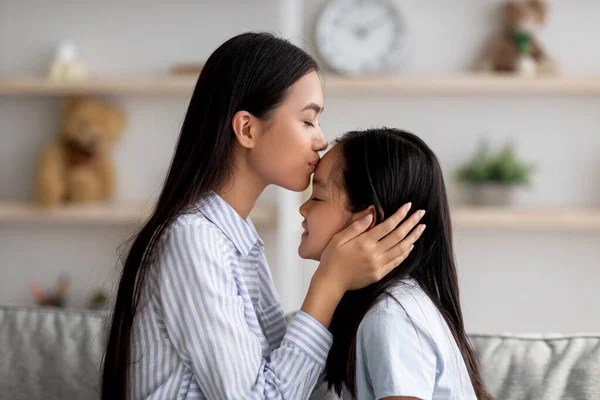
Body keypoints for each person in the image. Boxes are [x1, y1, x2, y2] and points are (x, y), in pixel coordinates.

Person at [100, 33, 425, 400]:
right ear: (247, 129)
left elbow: (282, 380)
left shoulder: (235, 235)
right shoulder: (193, 239)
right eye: (308, 121)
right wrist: (328, 283)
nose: (321, 140)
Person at [298, 128, 494, 400]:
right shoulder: (392, 306)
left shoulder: (391, 317)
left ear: (367, 220)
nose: (303, 208)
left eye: (317, 197)